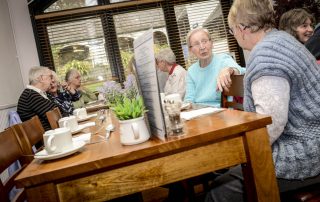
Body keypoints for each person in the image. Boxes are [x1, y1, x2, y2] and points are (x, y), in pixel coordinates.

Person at [206, 0, 320, 201]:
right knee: (224, 172)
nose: (235, 35)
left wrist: (235, 149)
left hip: (306, 153)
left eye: (232, 31)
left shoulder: (266, 57)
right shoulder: (281, 39)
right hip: (309, 141)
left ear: (242, 29)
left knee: (219, 192)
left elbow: (270, 126)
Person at [184, 27, 246, 107]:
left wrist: (229, 70)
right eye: (196, 44)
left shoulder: (223, 59)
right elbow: (189, 99)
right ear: (190, 50)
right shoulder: (191, 71)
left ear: (212, 43)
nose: (202, 47)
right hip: (199, 113)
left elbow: (239, 71)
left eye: (204, 41)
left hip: (222, 111)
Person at [17, 66, 57, 131]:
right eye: (50, 77)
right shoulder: (31, 95)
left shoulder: (38, 93)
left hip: (51, 132)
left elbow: (58, 111)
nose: (52, 80)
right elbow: (55, 116)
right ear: (41, 78)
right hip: (47, 138)